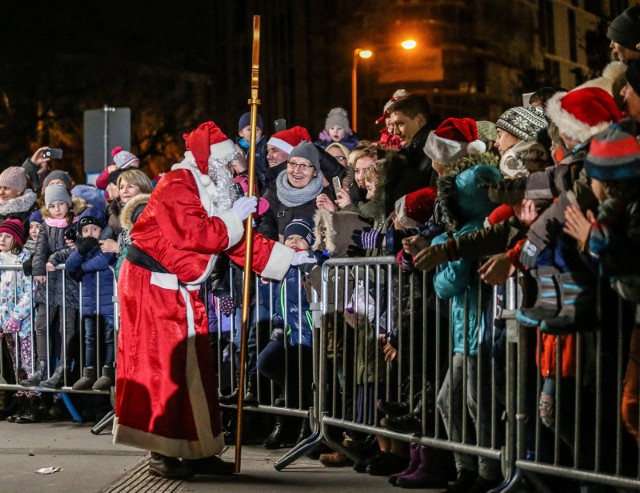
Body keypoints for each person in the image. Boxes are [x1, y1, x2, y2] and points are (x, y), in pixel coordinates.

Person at [113, 121, 313, 479]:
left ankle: (197, 449)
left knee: (194, 371)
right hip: (151, 286)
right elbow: (197, 234)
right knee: (163, 370)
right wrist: (233, 217)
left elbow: (235, 242)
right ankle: (161, 451)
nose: (236, 169)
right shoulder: (177, 183)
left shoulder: (213, 190)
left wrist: (284, 256)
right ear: (213, 162)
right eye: (231, 162)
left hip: (178, 288)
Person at [21, 184, 89, 388]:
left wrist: (55, 257)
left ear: (68, 204)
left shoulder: (76, 224)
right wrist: (38, 270)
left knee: (66, 327)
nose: (57, 208)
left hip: (68, 284)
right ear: (47, 208)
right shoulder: (45, 226)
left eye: (61, 204)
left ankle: (62, 369)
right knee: (41, 325)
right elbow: (39, 251)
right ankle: (41, 368)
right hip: (48, 284)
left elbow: (77, 250)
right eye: (53, 205)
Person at [66, 214, 116, 391]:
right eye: (85, 230)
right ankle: (89, 372)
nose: (90, 234)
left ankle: (108, 371)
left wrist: (83, 268)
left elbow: (105, 260)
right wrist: (80, 252)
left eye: (94, 230)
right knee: (89, 339)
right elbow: (69, 264)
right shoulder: (81, 249)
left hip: (108, 302)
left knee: (110, 338)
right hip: (89, 304)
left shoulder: (106, 245)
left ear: (102, 231)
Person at [0, 219, 32, 383]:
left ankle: (36, 399)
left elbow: (30, 291)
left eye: (7, 236)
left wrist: (18, 316)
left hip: (25, 324)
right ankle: (22, 399)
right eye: (0, 235)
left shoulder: (25, 260)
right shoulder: (0, 260)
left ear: (17, 239)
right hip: (6, 323)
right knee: (16, 364)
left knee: (29, 363)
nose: (2, 239)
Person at [236, 111, 268, 189]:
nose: (253, 132)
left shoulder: (265, 147)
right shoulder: (236, 149)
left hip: (260, 185)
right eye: (249, 129)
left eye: (257, 129)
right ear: (241, 133)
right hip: (243, 186)